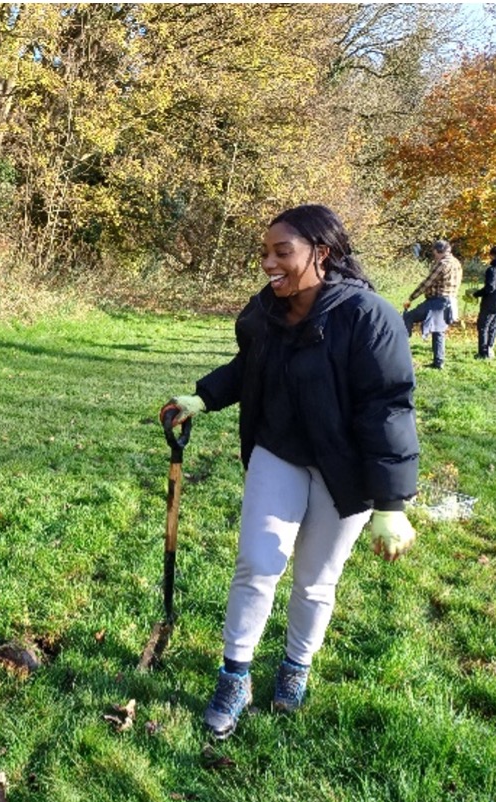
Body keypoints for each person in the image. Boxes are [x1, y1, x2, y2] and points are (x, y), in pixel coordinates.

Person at [160, 204, 419, 741]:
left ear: (321, 254)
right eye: (264, 253)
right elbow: (247, 367)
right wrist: (202, 397)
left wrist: (391, 504)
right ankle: (235, 675)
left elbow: (387, 406)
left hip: (344, 469)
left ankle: (294, 669)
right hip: (278, 451)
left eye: (282, 252)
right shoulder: (266, 313)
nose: (268, 263)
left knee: (315, 581)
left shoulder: (368, 316)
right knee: (257, 563)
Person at [402, 239, 462, 369]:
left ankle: (402, 352)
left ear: (437, 251)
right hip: (450, 301)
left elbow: (426, 283)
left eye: (434, 252)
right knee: (438, 331)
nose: (434, 254)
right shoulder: (456, 262)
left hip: (437, 301)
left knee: (408, 317)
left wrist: (411, 298)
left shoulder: (442, 264)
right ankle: (438, 362)